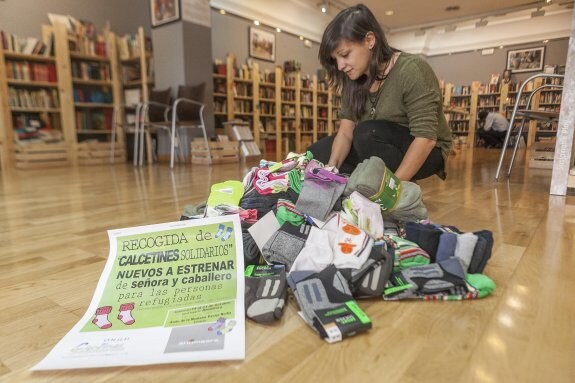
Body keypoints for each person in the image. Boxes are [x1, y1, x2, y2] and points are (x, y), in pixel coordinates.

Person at [307, 4, 452, 181]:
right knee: (315, 153)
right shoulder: (352, 79)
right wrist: (329, 172)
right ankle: (357, 187)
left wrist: (392, 189)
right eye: (335, 59)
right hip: (374, 144)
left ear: (370, 40)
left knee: (366, 134)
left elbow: (426, 139)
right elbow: (345, 132)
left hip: (427, 150)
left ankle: (388, 187)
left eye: (344, 55)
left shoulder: (412, 70)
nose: (340, 66)